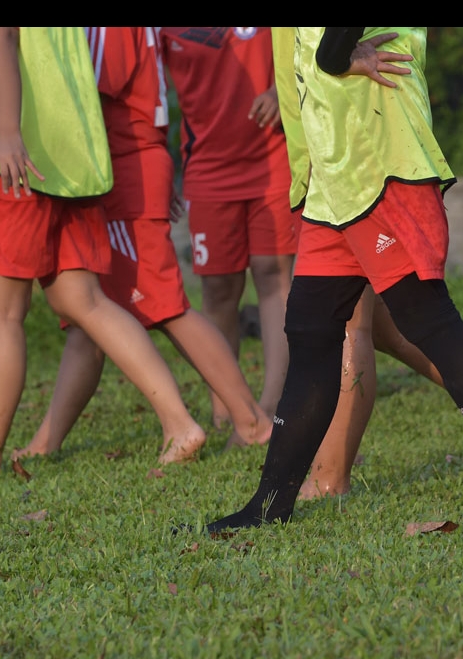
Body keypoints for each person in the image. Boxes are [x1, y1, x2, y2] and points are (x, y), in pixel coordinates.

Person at [195, 27, 463, 533]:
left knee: (428, 320)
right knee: (309, 332)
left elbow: (326, 52)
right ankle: (269, 506)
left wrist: (336, 51)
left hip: (379, 164)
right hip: (333, 178)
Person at [0, 27, 208, 482]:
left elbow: (3, 36)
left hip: (13, 159)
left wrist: (8, 132)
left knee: (0, 316)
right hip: (73, 165)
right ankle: (179, 424)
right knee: (84, 301)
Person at [12, 27, 274, 462]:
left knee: (165, 307)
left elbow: (82, 88)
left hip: (121, 168)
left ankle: (248, 421)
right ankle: (46, 442)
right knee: (88, 317)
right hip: (127, 164)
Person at [159, 27, 295, 431]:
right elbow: (149, 94)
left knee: (273, 274)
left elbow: (305, 48)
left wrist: (280, 91)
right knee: (218, 288)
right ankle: (227, 405)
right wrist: (158, 162)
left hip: (273, 158)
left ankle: (273, 401)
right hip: (207, 169)